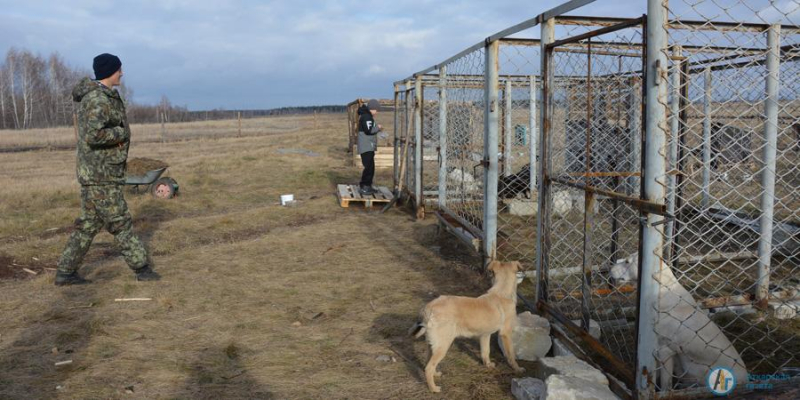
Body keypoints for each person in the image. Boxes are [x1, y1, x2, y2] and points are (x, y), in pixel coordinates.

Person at [55, 53, 160, 286]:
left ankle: (65, 272)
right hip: (100, 174)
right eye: (119, 69)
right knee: (120, 221)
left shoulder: (106, 96)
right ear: (110, 71)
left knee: (89, 224)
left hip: (100, 172)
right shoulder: (97, 99)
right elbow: (93, 135)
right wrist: (121, 134)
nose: (122, 73)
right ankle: (142, 268)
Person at [356, 99, 383, 195]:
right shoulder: (367, 117)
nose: (377, 112)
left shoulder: (366, 116)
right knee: (369, 168)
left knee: (370, 167)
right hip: (366, 146)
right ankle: (365, 187)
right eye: (377, 110)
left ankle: (367, 185)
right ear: (372, 108)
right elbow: (369, 130)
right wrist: (378, 128)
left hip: (368, 146)